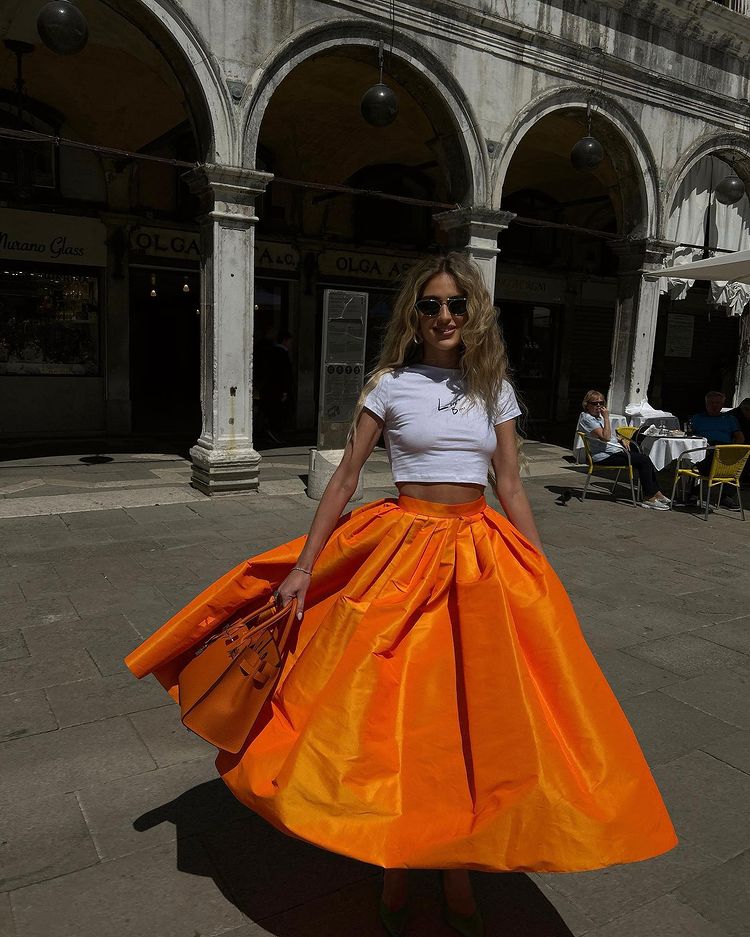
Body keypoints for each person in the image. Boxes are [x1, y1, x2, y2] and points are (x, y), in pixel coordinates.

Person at [125, 254, 676, 937]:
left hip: (476, 555)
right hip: (399, 551)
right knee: (388, 714)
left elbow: (509, 484)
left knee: (469, 718)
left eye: (456, 305)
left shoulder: (494, 388)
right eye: (431, 305)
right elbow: (346, 476)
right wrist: (304, 564)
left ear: (473, 314)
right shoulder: (389, 383)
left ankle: (457, 870)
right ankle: (393, 860)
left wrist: (537, 566)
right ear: (414, 317)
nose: (444, 316)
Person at [577, 390, 672, 510]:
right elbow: (605, 437)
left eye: (601, 403)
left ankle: (655, 492)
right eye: (595, 403)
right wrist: (606, 418)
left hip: (613, 449)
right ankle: (649, 497)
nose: (599, 406)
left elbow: (608, 436)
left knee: (643, 455)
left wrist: (620, 438)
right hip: (602, 455)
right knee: (643, 460)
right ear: (587, 404)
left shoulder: (596, 417)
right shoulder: (587, 419)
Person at [689, 391, 745, 509]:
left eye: (717, 403)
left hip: (724, 448)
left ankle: (725, 496)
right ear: (706, 404)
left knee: (737, 459)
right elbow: (689, 434)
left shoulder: (730, 419)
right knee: (699, 457)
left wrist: (734, 450)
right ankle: (694, 491)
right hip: (703, 447)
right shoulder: (697, 418)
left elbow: (740, 437)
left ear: (722, 405)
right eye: (711, 403)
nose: (714, 405)